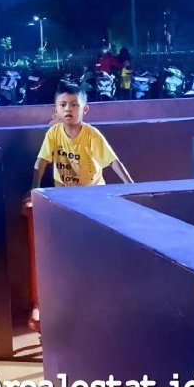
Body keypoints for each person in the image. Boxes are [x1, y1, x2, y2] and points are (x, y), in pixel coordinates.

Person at [24, 83, 134, 332]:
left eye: (74, 104)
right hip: (65, 201)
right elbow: (40, 163)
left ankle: (99, 301)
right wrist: (34, 189)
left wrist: (132, 187)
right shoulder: (53, 134)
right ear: (56, 109)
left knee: (94, 250)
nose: (68, 109)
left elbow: (114, 162)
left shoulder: (92, 135)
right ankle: (58, 304)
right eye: (63, 105)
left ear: (85, 109)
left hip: (93, 199)